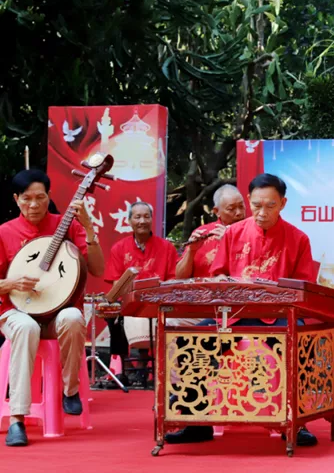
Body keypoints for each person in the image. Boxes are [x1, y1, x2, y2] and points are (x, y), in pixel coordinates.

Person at [165, 173, 318, 446]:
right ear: (249, 200)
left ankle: (296, 423)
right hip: (235, 318)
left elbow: (305, 287)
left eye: (270, 206)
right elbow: (218, 274)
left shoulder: (299, 239)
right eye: (256, 205)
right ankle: (195, 420)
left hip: (279, 318)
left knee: (300, 343)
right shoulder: (233, 234)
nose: (262, 212)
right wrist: (223, 281)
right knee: (192, 341)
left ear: (283, 204)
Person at [0, 169, 105, 447]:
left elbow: (97, 269)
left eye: (40, 197)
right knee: (26, 327)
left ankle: (69, 390)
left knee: (72, 317)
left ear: (49, 197)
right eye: (27, 199)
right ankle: (17, 419)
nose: (34, 205)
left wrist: (89, 229)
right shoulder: (4, 232)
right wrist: (11, 283)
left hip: (60, 311)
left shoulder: (67, 225)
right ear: (16, 199)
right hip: (17, 311)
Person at [104, 201, 178, 385]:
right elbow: (116, 284)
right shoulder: (119, 248)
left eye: (146, 216)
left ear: (152, 219)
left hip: (158, 302)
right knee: (113, 314)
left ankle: (151, 367)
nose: (142, 221)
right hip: (129, 302)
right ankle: (126, 368)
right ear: (129, 221)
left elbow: (172, 280)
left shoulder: (167, 247)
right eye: (137, 217)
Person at [175, 184, 245, 280]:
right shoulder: (204, 232)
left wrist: (230, 243)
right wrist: (191, 251)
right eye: (231, 209)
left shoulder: (252, 232)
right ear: (217, 211)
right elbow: (180, 277)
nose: (239, 213)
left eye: (241, 206)